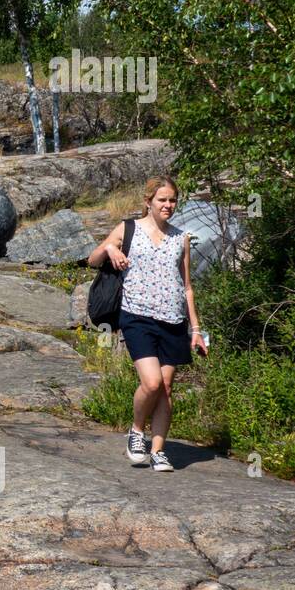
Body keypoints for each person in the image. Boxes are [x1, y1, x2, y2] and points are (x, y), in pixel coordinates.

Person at [88, 176, 209, 473]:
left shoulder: (181, 238)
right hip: (137, 315)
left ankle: (158, 452)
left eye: (172, 200)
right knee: (152, 382)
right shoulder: (128, 228)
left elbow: (187, 286)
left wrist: (195, 329)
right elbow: (92, 260)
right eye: (162, 200)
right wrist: (111, 250)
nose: (167, 205)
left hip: (173, 320)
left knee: (166, 388)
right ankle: (136, 430)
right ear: (148, 202)